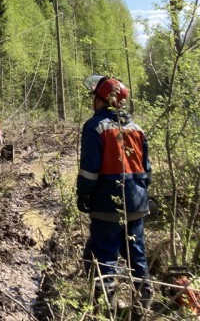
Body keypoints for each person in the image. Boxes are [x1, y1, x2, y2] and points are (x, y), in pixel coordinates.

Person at [76, 74, 152, 316]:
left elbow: (90, 171)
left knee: (105, 257)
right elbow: (147, 171)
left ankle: (107, 311)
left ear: (101, 101)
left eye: (94, 98)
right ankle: (142, 304)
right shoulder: (137, 129)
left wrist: (84, 197)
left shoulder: (95, 126)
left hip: (108, 204)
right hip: (138, 203)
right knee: (136, 254)